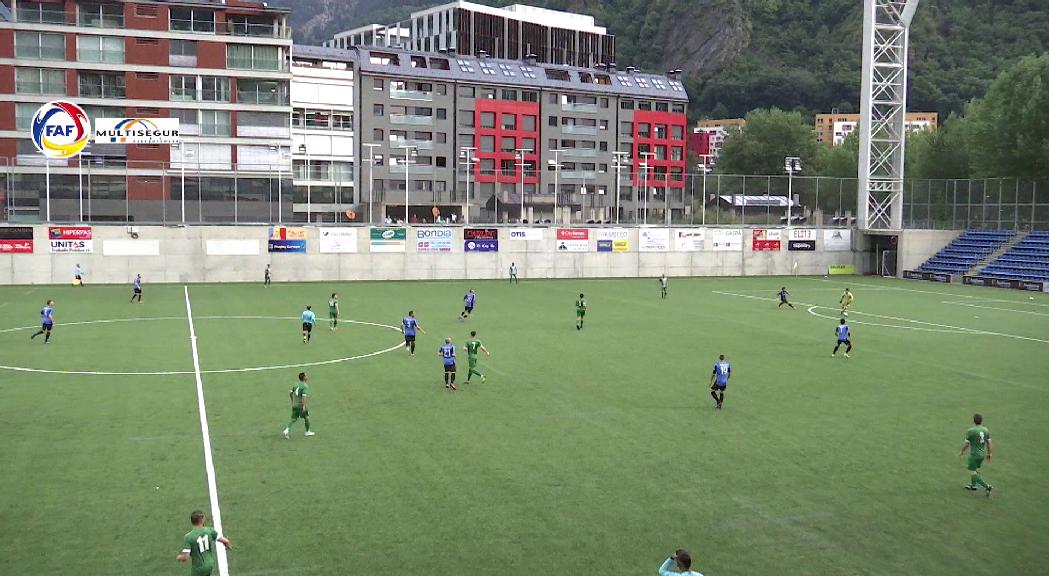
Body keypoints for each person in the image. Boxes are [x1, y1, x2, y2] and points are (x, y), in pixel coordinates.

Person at [176, 510, 231, 576]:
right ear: (202, 520)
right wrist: (228, 546)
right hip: (209, 564)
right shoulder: (210, 530)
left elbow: (185, 557)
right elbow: (225, 541)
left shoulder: (189, 537)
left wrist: (179, 557)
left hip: (198, 568)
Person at [960, 413, 993, 496]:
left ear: (973, 421)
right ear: (981, 421)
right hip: (982, 454)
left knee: (972, 471)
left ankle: (987, 486)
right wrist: (990, 453)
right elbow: (989, 443)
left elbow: (967, 444)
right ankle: (973, 486)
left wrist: (962, 451)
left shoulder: (971, 431)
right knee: (975, 470)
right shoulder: (986, 430)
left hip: (974, 455)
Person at [282, 372, 315, 438]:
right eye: (306, 376)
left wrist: (292, 401)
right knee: (306, 417)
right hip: (300, 405)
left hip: (295, 405)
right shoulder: (305, 386)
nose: (307, 377)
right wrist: (304, 406)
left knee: (293, 419)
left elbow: (290, 393)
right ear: (304, 378)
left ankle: (287, 430)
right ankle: (307, 431)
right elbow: (304, 397)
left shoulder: (296, 384)